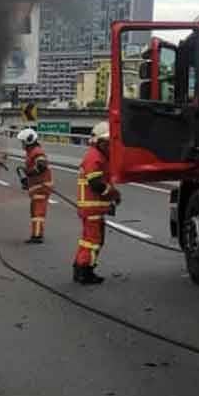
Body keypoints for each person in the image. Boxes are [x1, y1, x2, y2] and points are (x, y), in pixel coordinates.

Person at [73, 122, 121, 285]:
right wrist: (113, 194)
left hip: (93, 208)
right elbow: (96, 184)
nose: (111, 147)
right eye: (108, 143)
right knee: (93, 242)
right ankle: (86, 272)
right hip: (92, 209)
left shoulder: (98, 156)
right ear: (100, 142)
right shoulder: (94, 157)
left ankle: (79, 268)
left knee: (87, 241)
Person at [17, 128, 52, 244]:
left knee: (37, 212)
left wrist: (30, 172)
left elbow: (41, 165)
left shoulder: (37, 152)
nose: (22, 144)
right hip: (37, 186)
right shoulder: (32, 152)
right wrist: (28, 181)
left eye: (23, 142)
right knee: (34, 211)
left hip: (41, 186)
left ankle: (37, 236)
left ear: (28, 141)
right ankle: (36, 234)